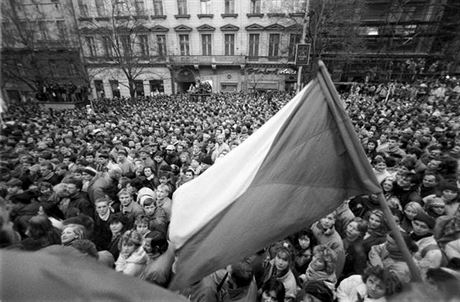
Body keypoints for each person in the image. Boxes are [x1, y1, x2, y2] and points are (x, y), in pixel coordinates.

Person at [336, 265, 402, 302]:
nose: (373, 288)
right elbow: (342, 289)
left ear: (387, 290)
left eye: (379, 287)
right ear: (366, 278)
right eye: (371, 281)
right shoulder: (355, 279)